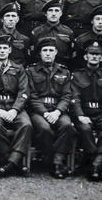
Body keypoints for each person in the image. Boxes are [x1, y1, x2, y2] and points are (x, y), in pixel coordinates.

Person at [70, 40, 102, 181]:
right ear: (85, 56)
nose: (94, 57)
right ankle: (97, 163)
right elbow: (75, 98)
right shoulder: (77, 75)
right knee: (85, 129)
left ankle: (94, 165)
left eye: (97, 55)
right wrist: (80, 115)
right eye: (91, 54)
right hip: (84, 114)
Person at [26, 37, 76, 178]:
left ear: (56, 53)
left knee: (67, 126)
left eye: (51, 50)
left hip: (58, 109)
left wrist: (57, 111)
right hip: (39, 110)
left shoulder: (64, 72)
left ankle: (56, 161)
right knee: (44, 128)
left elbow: (67, 96)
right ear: (40, 53)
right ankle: (53, 160)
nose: (48, 53)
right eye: (45, 51)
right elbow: (32, 96)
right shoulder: (31, 71)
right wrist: (45, 113)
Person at [0, 34, 32, 177]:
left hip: (15, 106)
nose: (2, 51)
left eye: (5, 48)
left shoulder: (19, 68)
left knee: (26, 125)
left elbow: (24, 92)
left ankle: (10, 163)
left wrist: (15, 109)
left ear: (10, 50)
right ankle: (12, 162)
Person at [30, 0, 74, 65]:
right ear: (45, 14)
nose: (53, 14)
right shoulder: (37, 32)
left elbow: (71, 54)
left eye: (56, 11)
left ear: (61, 13)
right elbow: (33, 54)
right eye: (50, 11)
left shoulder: (68, 32)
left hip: (63, 69)